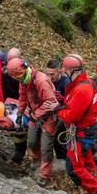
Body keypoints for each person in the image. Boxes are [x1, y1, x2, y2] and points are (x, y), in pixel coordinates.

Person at [57, 54, 97, 194]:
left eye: (65, 70)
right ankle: (93, 179)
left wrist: (59, 111)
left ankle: (95, 189)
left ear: (72, 70)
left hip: (81, 131)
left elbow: (72, 116)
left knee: (73, 166)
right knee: (86, 156)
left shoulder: (82, 89)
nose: (64, 73)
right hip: (87, 129)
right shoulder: (86, 83)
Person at [7, 58, 59, 186]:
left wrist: (35, 115)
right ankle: (36, 161)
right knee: (31, 141)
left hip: (48, 116)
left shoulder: (40, 80)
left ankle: (44, 175)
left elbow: (51, 102)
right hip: (34, 114)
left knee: (46, 147)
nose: (17, 80)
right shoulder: (24, 81)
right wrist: (19, 113)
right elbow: (23, 97)